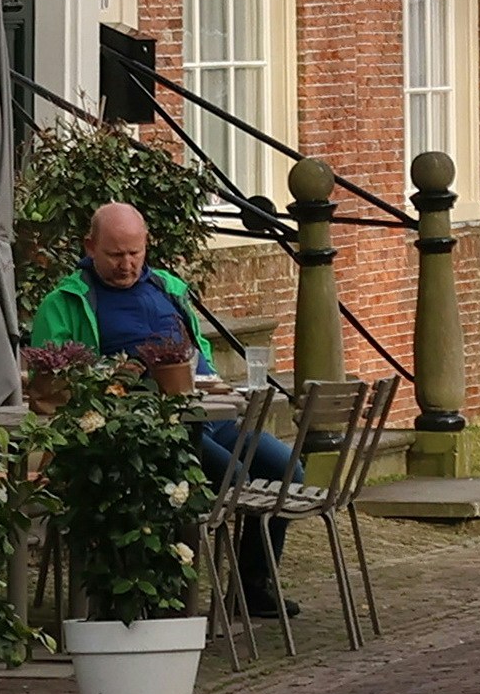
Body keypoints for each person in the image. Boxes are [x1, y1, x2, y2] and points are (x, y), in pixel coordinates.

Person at [32, 196, 289, 615]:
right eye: (115, 254)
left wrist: (212, 383)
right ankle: (171, 594)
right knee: (233, 479)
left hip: (209, 410)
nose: (127, 264)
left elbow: (197, 348)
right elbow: (55, 382)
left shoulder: (168, 288)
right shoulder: (66, 303)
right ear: (89, 247)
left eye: (135, 252)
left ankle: (252, 588)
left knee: (286, 471)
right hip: (144, 428)